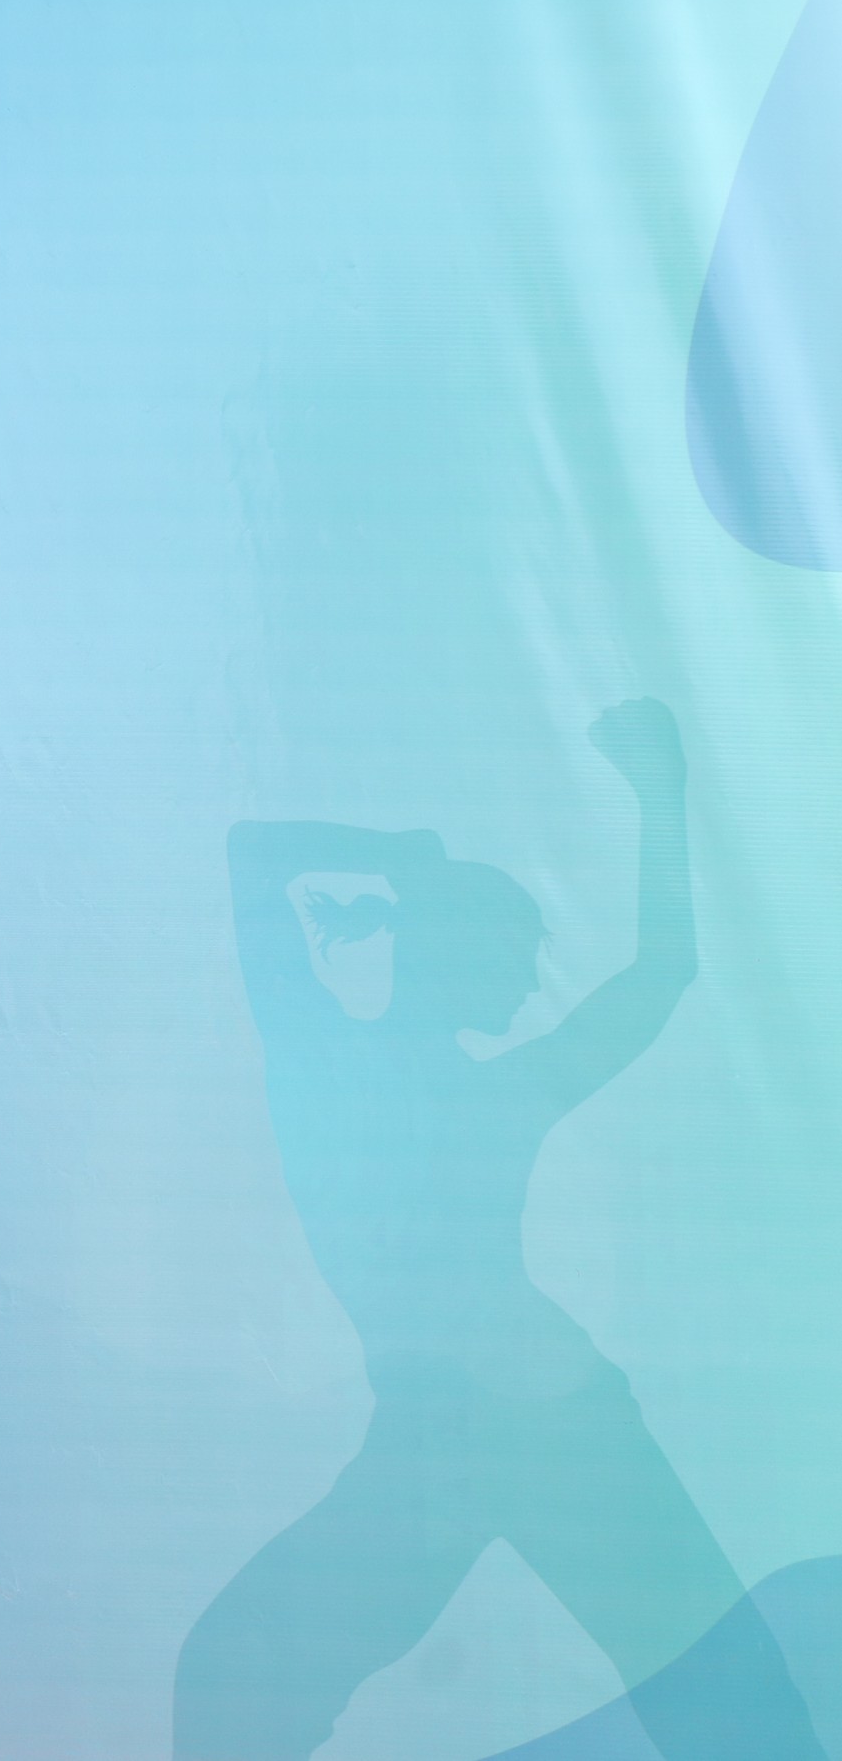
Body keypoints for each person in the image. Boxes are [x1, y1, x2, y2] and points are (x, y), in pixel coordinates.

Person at [175, 701, 819, 1758]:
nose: (527, 983)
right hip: (443, 1440)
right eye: (516, 951)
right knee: (230, 1675)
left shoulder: (468, 1085)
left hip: (552, 1426)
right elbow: (255, 851)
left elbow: (661, 975)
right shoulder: (355, 1067)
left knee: (728, 1696)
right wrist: (402, 854)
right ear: (452, 948)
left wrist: (659, 794)